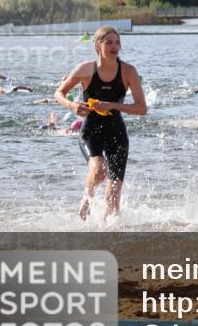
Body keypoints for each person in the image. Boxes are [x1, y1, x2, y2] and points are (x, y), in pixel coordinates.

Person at [54, 27, 147, 221]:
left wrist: (112, 105)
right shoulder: (85, 69)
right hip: (91, 131)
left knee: (112, 199)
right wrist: (72, 105)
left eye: (117, 42)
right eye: (109, 42)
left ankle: (109, 237)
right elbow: (58, 93)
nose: (115, 46)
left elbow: (142, 109)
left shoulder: (128, 71)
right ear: (98, 46)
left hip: (117, 132)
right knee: (99, 169)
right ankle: (86, 200)